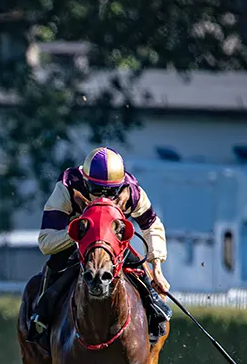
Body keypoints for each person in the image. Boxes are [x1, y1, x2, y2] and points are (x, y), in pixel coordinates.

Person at [26, 146, 173, 351]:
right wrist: (78, 232)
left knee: (141, 273)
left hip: (113, 248)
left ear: (120, 187)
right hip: (76, 244)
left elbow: (151, 225)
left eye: (111, 192)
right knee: (55, 269)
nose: (104, 197)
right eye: (96, 190)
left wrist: (157, 267)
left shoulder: (132, 191)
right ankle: (41, 317)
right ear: (85, 183)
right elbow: (46, 241)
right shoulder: (68, 187)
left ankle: (154, 312)